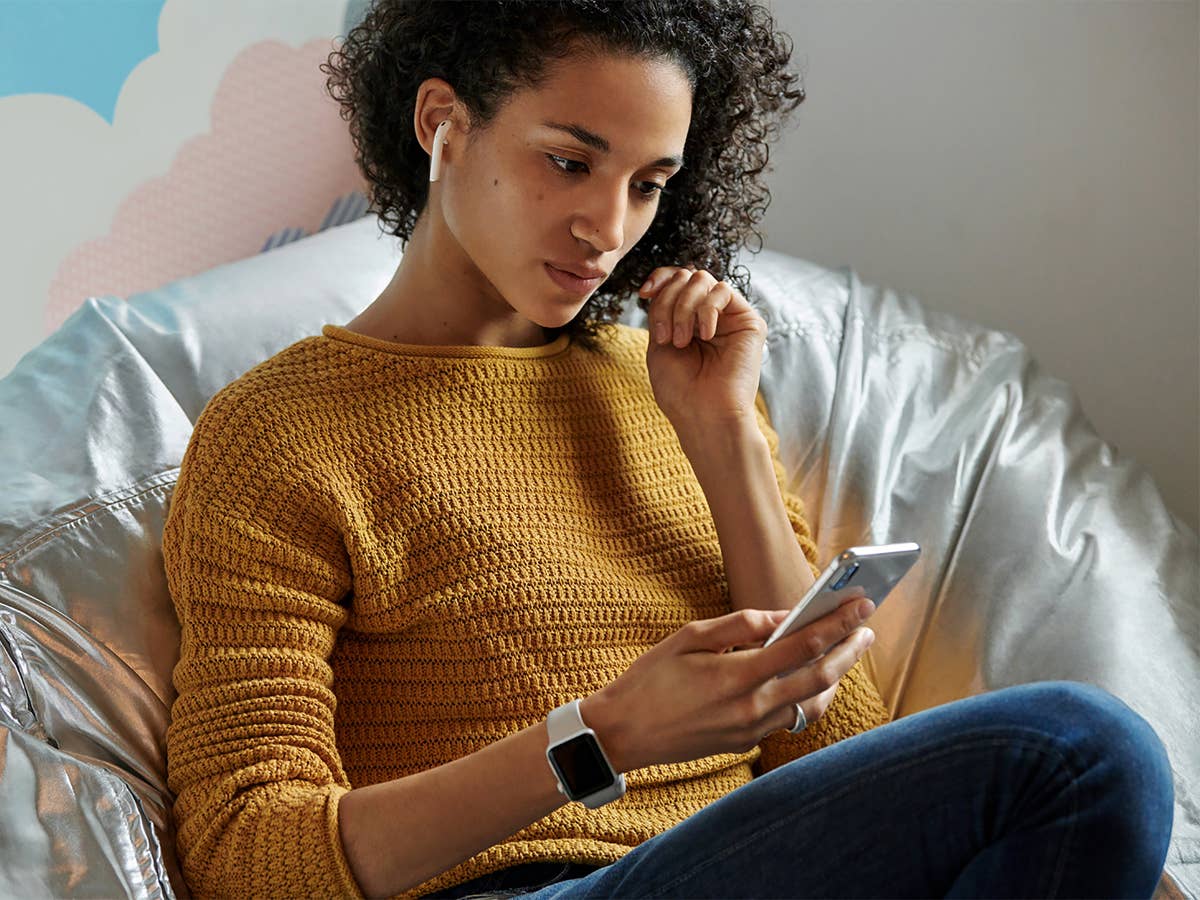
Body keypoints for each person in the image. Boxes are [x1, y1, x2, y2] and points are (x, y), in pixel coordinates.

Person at [160, 1, 1176, 897]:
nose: (608, 227)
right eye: (569, 161)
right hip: (521, 887)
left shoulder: (667, 388)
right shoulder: (278, 434)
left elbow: (851, 756)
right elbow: (245, 856)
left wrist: (723, 436)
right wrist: (601, 738)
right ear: (442, 123)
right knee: (1084, 755)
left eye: (648, 184)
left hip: (743, 863)